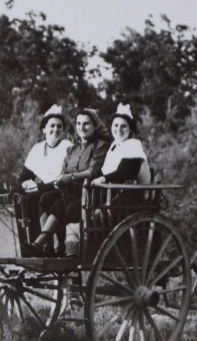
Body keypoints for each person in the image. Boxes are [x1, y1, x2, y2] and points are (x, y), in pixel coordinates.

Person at [31, 108, 109, 255]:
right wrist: (60, 180)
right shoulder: (73, 149)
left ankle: (39, 243)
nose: (81, 127)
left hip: (91, 194)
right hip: (70, 191)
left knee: (61, 206)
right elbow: (64, 171)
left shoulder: (100, 145)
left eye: (86, 124)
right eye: (79, 123)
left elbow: (93, 171)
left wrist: (71, 177)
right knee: (44, 198)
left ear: (95, 125)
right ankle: (47, 247)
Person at [17, 105, 72, 245]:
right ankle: (28, 242)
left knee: (44, 198)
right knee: (24, 198)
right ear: (44, 129)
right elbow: (23, 177)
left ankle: (50, 245)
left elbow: (69, 174)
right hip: (44, 188)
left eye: (59, 126)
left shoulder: (67, 146)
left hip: (62, 189)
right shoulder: (37, 149)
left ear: (63, 130)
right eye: (51, 126)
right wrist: (25, 184)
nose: (55, 129)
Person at [92, 103, 151, 186]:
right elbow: (105, 170)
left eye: (123, 126)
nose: (118, 129)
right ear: (111, 126)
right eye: (116, 125)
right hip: (112, 188)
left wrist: (104, 178)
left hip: (128, 192)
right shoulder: (115, 144)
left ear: (130, 130)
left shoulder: (134, 144)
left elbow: (125, 172)